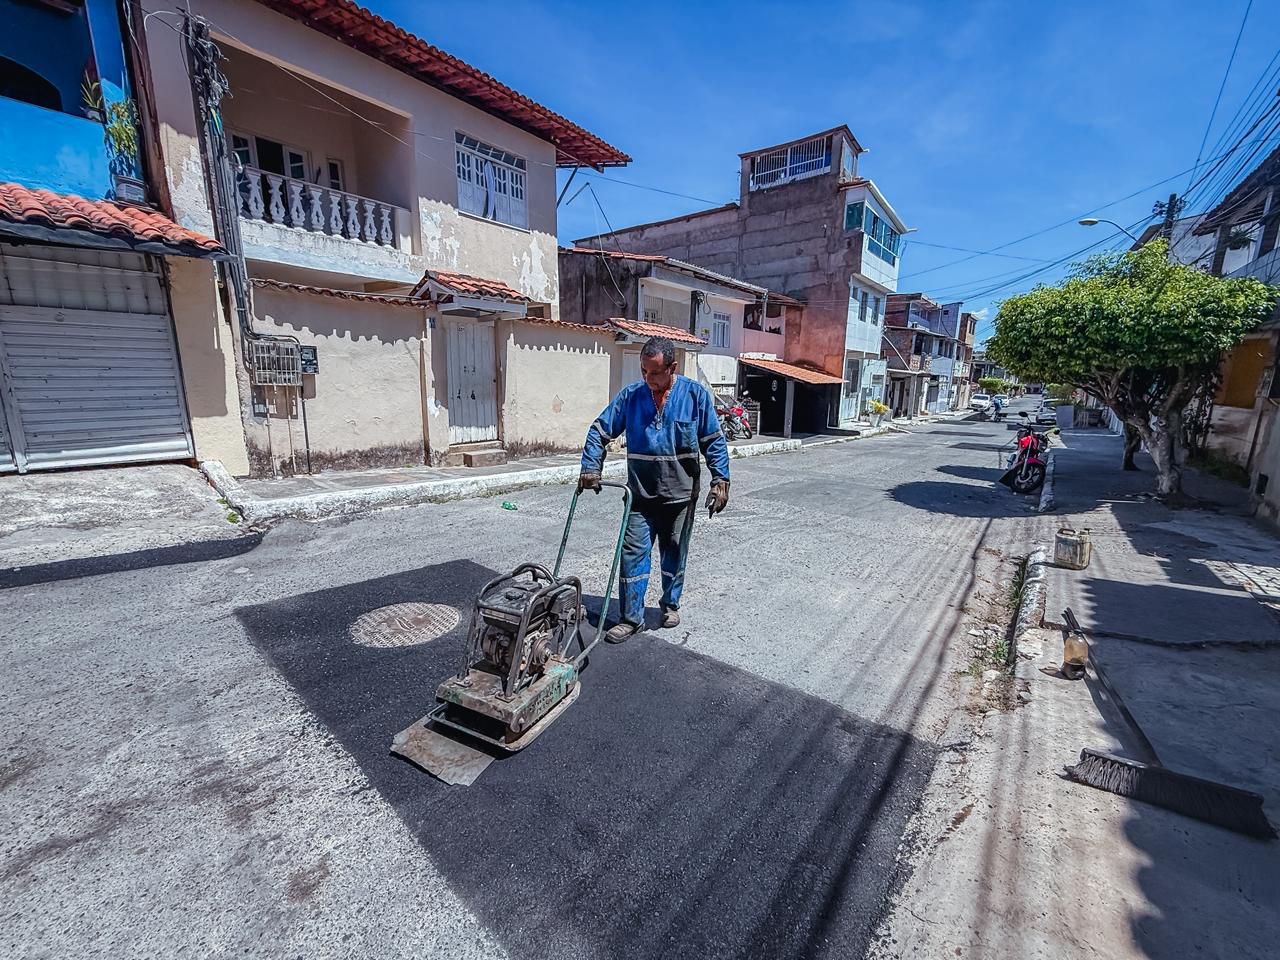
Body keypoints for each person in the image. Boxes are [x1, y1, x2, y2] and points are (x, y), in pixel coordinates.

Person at [578, 336, 730, 643]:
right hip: (640, 496)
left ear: (672, 367)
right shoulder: (632, 397)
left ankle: (670, 604)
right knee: (632, 553)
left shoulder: (695, 396)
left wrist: (721, 480)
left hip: (681, 495)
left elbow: (713, 440)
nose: (648, 379)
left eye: (655, 373)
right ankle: (630, 618)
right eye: (644, 372)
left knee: (673, 554)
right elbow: (599, 430)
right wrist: (591, 467)